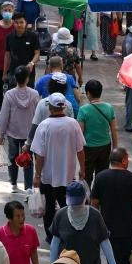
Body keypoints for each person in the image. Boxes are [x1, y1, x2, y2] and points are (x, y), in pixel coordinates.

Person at [32, 93, 86, 239]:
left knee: (49, 206)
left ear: (50, 107)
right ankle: (67, 232)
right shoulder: (73, 124)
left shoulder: (44, 126)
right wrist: (82, 169)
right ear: (64, 107)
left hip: (48, 175)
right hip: (68, 175)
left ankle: (50, 235)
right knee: (66, 205)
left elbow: (40, 155)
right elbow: (80, 149)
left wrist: (37, 175)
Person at [49, 181, 118, 264]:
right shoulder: (61, 215)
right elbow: (55, 241)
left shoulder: (95, 216)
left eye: (78, 203)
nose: (76, 207)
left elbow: (104, 241)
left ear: (85, 198)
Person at [91, 148, 132, 264]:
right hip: (128, 228)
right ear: (123, 160)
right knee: (126, 256)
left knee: (112, 256)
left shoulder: (100, 177)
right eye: (127, 159)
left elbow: (94, 203)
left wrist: (96, 223)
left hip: (107, 227)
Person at [0, 66, 40, 192]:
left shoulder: (9, 95)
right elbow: (37, 115)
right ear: (27, 79)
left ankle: (13, 183)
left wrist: (2, 134)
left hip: (13, 132)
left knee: (12, 157)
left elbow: (4, 115)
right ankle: (28, 188)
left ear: (15, 79)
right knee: (28, 160)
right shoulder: (34, 94)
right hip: (29, 134)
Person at [78, 80, 118, 184]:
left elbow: (80, 133)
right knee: (102, 176)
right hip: (105, 147)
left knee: (86, 177)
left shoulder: (83, 110)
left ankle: (88, 198)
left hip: (88, 148)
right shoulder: (109, 108)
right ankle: (99, 198)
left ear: (88, 93)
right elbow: (114, 130)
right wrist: (115, 148)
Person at [3, 12, 41, 86]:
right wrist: (4, 73)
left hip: (29, 73)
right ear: (13, 23)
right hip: (13, 73)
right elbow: (7, 56)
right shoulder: (9, 37)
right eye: (16, 22)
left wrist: (32, 63)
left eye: (21, 22)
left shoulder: (33, 36)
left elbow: (37, 54)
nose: (19, 25)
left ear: (26, 22)